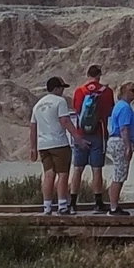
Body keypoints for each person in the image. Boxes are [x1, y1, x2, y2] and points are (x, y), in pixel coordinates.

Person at [31, 75, 76, 216]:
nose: (63, 91)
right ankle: (62, 205)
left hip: (43, 144)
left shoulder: (38, 105)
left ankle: (47, 206)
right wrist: (78, 137)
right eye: (62, 88)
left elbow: (33, 126)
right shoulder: (60, 101)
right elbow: (65, 121)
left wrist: (33, 147)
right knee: (63, 174)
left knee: (48, 174)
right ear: (56, 88)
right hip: (59, 143)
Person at [70, 63, 113, 209]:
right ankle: (98, 202)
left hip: (81, 134)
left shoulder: (79, 91)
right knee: (97, 169)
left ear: (87, 75)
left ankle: (72, 202)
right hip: (99, 133)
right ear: (99, 75)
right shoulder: (106, 91)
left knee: (77, 168)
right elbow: (109, 111)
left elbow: (76, 110)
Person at [104, 82, 134, 214]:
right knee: (119, 175)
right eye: (132, 90)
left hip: (116, 141)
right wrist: (127, 146)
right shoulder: (124, 108)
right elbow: (124, 128)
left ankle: (114, 204)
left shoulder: (121, 106)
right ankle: (113, 207)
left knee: (119, 173)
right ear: (125, 91)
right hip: (120, 141)